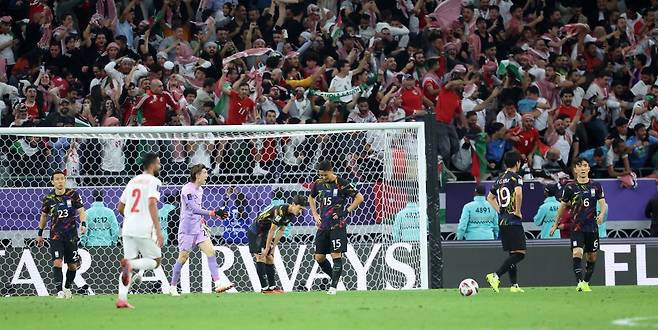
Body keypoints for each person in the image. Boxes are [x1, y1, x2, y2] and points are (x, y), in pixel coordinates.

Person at [169, 164, 233, 296]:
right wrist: (213, 213)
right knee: (183, 258)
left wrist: (203, 221)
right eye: (204, 173)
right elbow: (193, 208)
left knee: (211, 252)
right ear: (197, 175)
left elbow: (198, 208)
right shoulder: (187, 189)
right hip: (187, 229)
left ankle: (218, 283)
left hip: (198, 228)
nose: (207, 175)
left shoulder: (201, 190)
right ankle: (173, 287)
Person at [550, 157, 607, 292]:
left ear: (588, 168)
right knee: (577, 253)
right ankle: (580, 282)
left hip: (592, 227)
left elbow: (603, 204)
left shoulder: (596, 186)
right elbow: (562, 207)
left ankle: (586, 282)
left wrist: (601, 214)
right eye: (579, 166)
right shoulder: (570, 187)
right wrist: (555, 224)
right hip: (576, 227)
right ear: (575, 169)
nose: (582, 168)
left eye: (585, 165)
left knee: (592, 256)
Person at [116, 153, 165, 308]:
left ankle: (122, 299)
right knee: (156, 261)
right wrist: (158, 229)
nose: (160, 166)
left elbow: (120, 207)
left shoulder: (132, 181)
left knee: (128, 262)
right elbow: (152, 203)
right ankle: (131, 264)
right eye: (158, 163)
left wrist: (131, 217)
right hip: (144, 228)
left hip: (127, 227)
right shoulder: (154, 181)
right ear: (152, 165)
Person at [309, 160, 364, 295]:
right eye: (321, 175)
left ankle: (333, 287)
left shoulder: (342, 183)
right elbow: (311, 198)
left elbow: (359, 198)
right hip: (323, 226)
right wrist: (315, 214)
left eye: (325, 175)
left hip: (337, 226)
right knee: (319, 258)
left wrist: (346, 211)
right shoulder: (318, 183)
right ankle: (335, 278)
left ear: (331, 171)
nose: (323, 178)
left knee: (335, 254)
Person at [36, 171, 87, 299]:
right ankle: (59, 291)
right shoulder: (48, 198)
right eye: (57, 179)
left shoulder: (73, 194)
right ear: (52, 182)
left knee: (72, 266)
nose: (60, 181)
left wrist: (84, 223)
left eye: (62, 179)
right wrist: (40, 234)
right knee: (57, 263)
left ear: (65, 180)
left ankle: (68, 287)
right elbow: (43, 216)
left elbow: (81, 211)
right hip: (56, 236)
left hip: (71, 235)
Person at [247, 195, 307, 293]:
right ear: (293, 204)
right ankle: (264, 289)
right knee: (261, 257)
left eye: (302, 209)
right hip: (256, 231)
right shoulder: (280, 210)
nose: (300, 212)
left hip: (264, 233)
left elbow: (282, 230)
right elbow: (272, 230)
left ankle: (272, 287)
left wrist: (273, 247)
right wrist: (267, 248)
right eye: (299, 208)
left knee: (270, 258)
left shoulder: (291, 214)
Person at [485, 151, 526, 293]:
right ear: (517, 163)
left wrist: (500, 211)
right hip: (513, 221)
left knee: (512, 253)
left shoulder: (499, 179)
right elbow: (519, 194)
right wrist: (518, 211)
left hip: (502, 221)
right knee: (520, 253)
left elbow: (489, 197)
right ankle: (495, 275)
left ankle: (514, 285)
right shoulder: (516, 177)